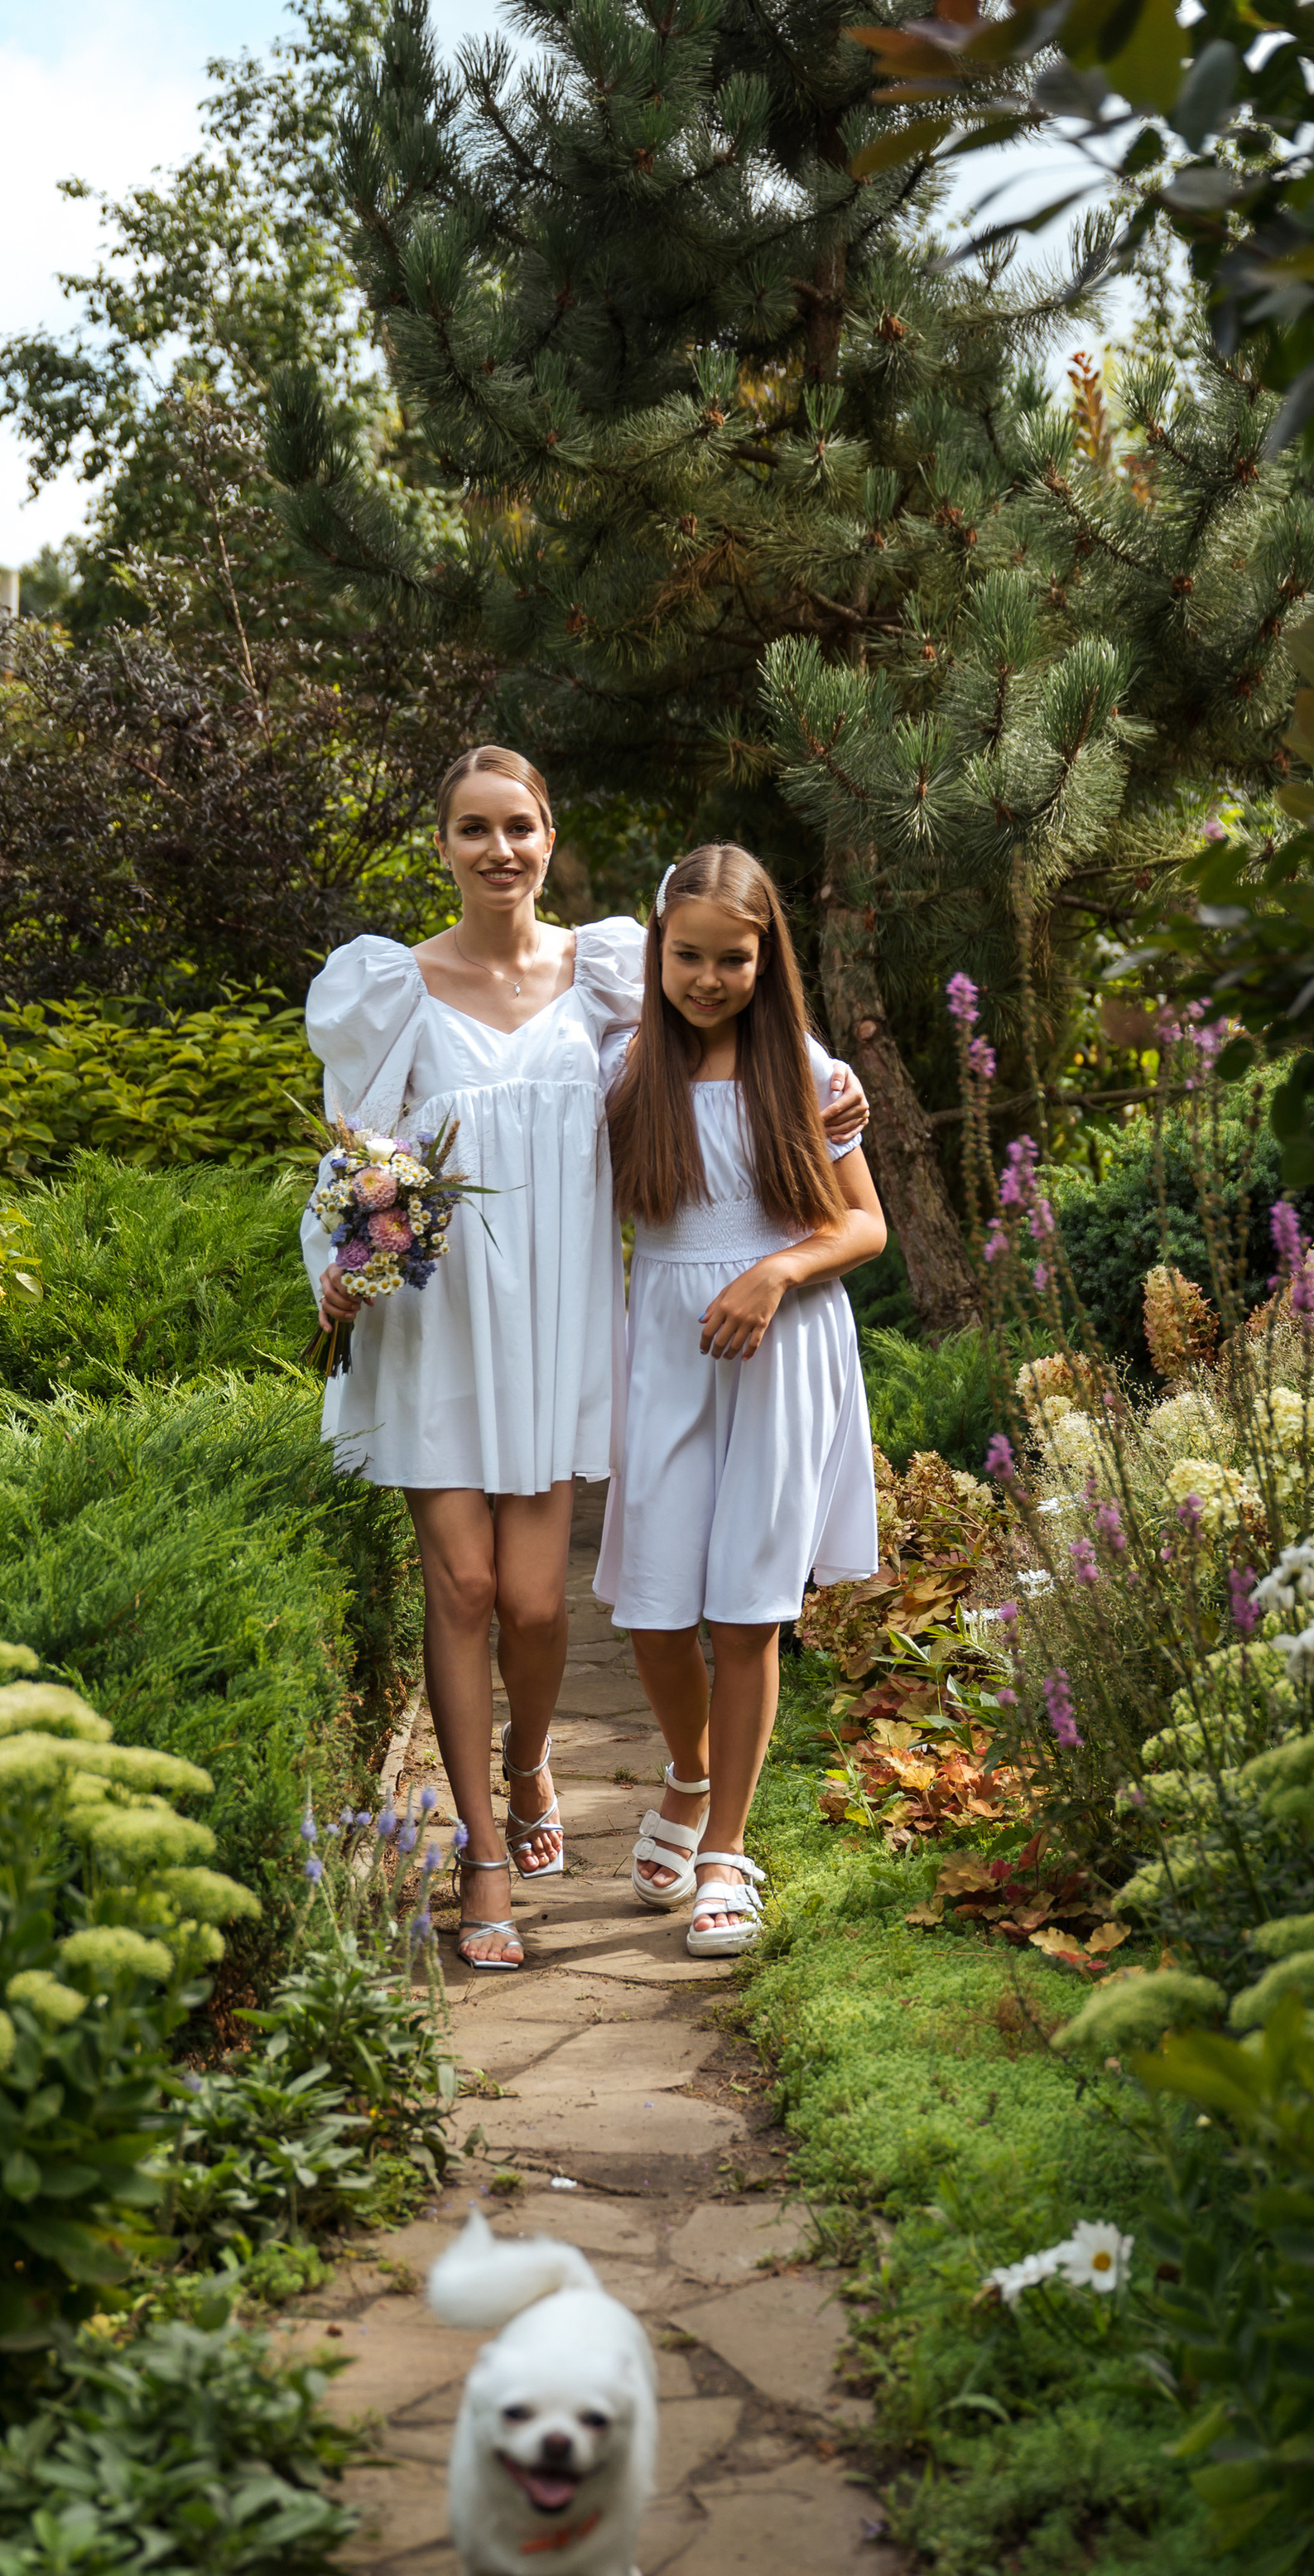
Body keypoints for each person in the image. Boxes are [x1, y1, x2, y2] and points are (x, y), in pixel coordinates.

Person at [301, 751, 866, 1973]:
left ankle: (530, 1760)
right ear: (441, 845)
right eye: (472, 830)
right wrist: (342, 1264)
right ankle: (484, 1862)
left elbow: (717, 1025)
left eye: (519, 827)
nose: (498, 850)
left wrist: (829, 1086)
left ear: (552, 835)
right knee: (460, 1593)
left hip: (557, 1325)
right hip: (437, 1323)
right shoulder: (392, 990)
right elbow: (361, 1151)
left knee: (540, 1603)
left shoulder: (607, 974)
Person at [594, 842, 886, 1955]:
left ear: (770, 960)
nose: (709, 978)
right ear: (657, 947)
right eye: (688, 956)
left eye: (734, 959)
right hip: (666, 1351)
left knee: (743, 1613)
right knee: (656, 1612)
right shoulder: (621, 1066)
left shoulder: (805, 1074)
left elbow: (863, 1223)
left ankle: (726, 1852)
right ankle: (687, 1771)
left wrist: (776, 1270)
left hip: (785, 1347)